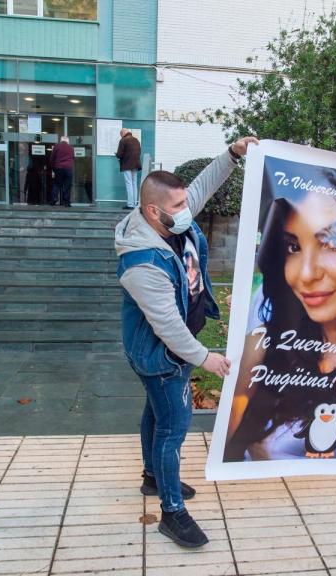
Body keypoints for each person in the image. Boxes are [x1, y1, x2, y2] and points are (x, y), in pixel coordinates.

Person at [115, 136, 258, 548]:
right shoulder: (142, 263)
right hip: (162, 354)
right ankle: (172, 513)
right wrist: (204, 359)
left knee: (155, 414)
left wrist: (233, 154)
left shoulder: (166, 216)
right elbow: (168, 328)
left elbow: (200, 187)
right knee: (173, 429)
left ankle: (152, 478)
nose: (186, 210)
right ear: (152, 211)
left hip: (168, 346)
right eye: (178, 207)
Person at [224, 181, 336, 462]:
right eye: (293, 246)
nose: (306, 274)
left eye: (332, 243)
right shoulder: (265, 342)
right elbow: (231, 448)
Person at [115, 128, 142, 209]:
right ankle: (134, 203)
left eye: (121, 135)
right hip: (136, 164)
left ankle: (130, 204)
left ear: (123, 134)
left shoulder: (123, 140)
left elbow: (119, 154)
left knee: (129, 183)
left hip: (127, 164)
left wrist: (116, 155)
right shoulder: (136, 140)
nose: (121, 136)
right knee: (134, 183)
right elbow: (139, 152)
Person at [50, 136, 74, 207]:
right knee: (67, 185)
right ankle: (66, 202)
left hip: (59, 168)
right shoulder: (71, 148)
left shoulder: (56, 147)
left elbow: (52, 158)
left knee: (57, 184)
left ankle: (54, 199)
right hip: (68, 168)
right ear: (67, 141)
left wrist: (53, 168)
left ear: (61, 140)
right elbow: (73, 158)